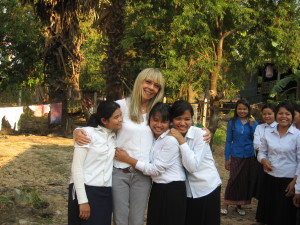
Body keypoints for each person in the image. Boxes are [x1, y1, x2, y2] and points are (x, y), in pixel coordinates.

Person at [73, 68, 211, 225]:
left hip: (143, 175)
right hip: (119, 172)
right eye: (148, 82)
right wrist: (77, 131)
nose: (151, 87)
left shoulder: (156, 111)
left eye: (156, 85)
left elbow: (182, 123)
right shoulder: (121, 106)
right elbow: (97, 125)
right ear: (140, 81)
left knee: (137, 220)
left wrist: (203, 130)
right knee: (120, 219)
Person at [115, 102, 186, 225]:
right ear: (149, 119)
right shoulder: (155, 137)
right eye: (155, 120)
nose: (158, 125)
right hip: (158, 187)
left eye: (163, 121)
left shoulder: (170, 140)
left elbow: (155, 169)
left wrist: (128, 159)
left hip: (172, 190)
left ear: (169, 122)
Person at [68, 101, 123, 225]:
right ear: (104, 120)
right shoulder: (87, 134)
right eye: (116, 117)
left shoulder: (114, 135)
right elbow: (76, 168)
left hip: (105, 192)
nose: (121, 119)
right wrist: (82, 201)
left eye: (120, 115)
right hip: (86, 189)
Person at [168, 100, 222, 225]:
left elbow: (192, 166)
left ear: (192, 119)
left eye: (187, 119)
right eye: (178, 119)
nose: (182, 123)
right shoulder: (169, 135)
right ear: (171, 119)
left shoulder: (200, 135)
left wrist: (181, 140)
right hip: (187, 191)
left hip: (206, 187)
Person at [257, 101, 300, 225]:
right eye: (280, 113)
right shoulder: (268, 133)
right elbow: (261, 152)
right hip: (269, 179)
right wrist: (264, 160)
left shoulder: (297, 135)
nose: (283, 116)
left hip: (288, 181)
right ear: (276, 115)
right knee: (269, 216)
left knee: (284, 217)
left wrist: (295, 184)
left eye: (287, 114)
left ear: (292, 116)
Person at [221, 99, 258, 216]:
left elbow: (255, 140)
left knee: (244, 181)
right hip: (236, 155)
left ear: (248, 110)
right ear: (236, 110)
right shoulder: (232, 122)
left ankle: (239, 205)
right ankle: (225, 204)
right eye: (240, 109)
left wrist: (252, 126)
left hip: (249, 155)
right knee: (233, 179)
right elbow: (228, 141)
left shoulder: (253, 122)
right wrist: (227, 158)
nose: (242, 111)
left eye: (244, 109)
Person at [252, 103, 277, 225]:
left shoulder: (280, 126)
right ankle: (262, 215)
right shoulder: (259, 128)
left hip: (277, 163)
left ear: (275, 114)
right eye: (264, 114)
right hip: (261, 161)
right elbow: (256, 145)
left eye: (269, 114)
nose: (267, 116)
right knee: (263, 189)